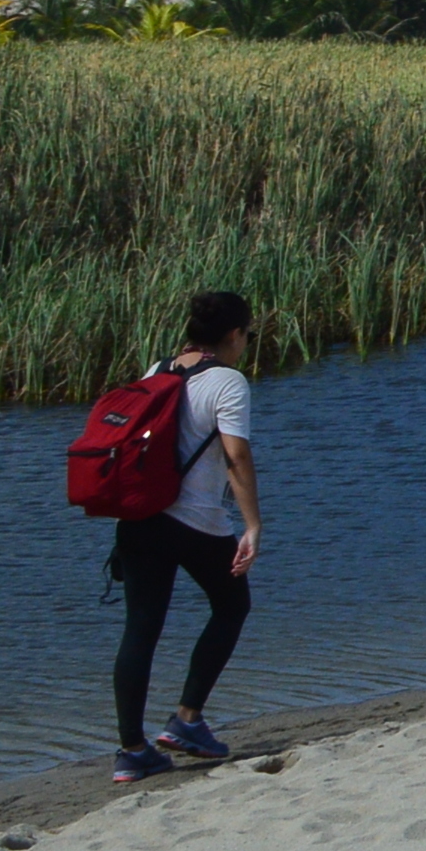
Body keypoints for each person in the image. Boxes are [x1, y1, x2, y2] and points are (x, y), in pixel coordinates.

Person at [108, 291, 263, 781]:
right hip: (194, 521)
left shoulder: (157, 370)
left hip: (139, 519)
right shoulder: (228, 381)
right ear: (234, 335)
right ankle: (187, 720)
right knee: (232, 605)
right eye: (248, 334)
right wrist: (252, 525)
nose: (247, 343)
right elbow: (236, 456)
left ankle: (132, 752)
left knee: (140, 629)